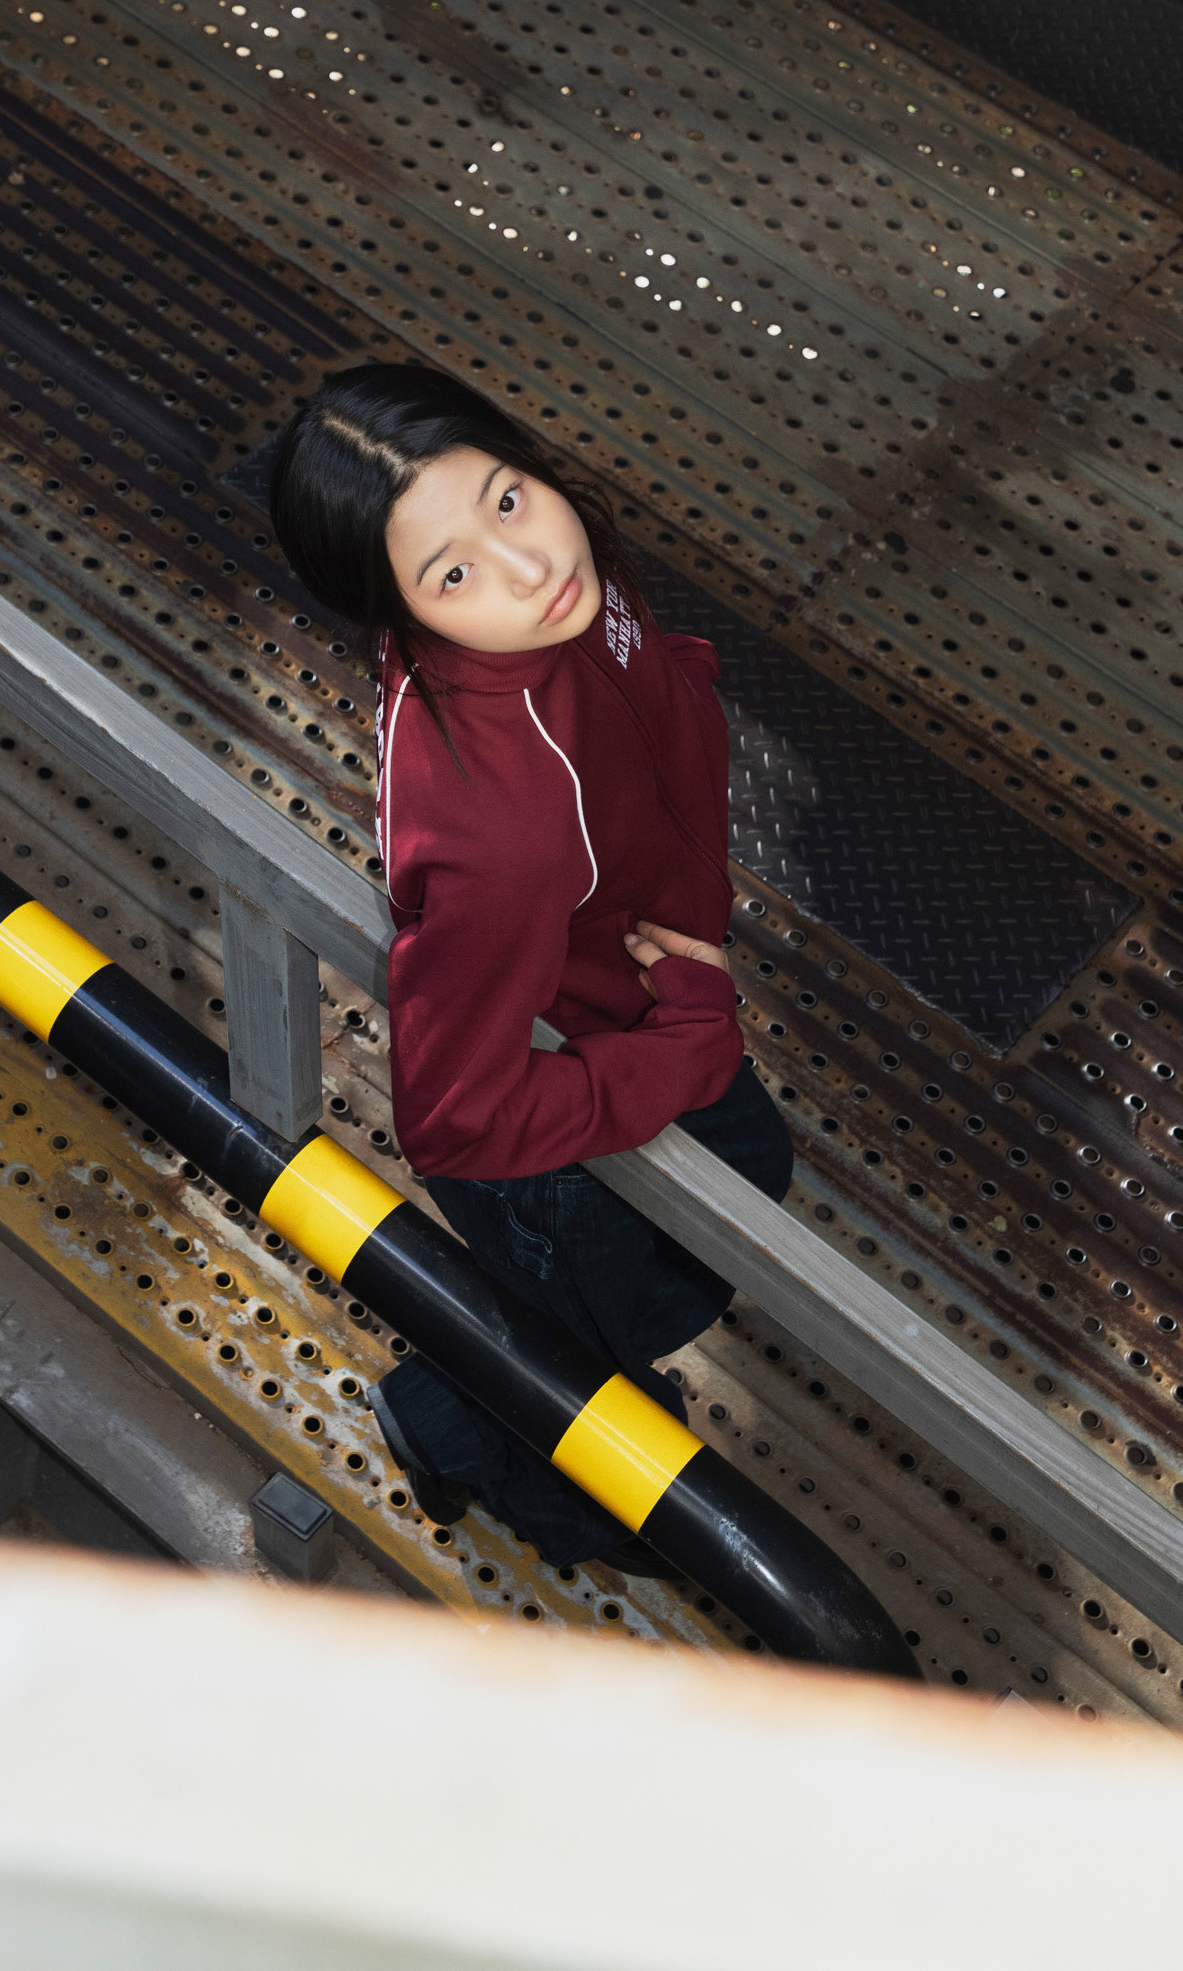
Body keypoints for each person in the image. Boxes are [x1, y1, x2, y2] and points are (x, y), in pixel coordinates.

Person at [268, 362, 794, 1578]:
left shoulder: (569, 586)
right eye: (451, 572)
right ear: (398, 610)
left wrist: (682, 691)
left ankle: (466, 1400)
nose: (524, 565)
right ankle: (509, 1468)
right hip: (565, 1117)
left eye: (506, 497)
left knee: (729, 1197)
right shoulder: (502, 835)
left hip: (633, 990)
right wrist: (687, 1040)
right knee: (606, 1348)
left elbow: (639, 683)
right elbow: (455, 1116)